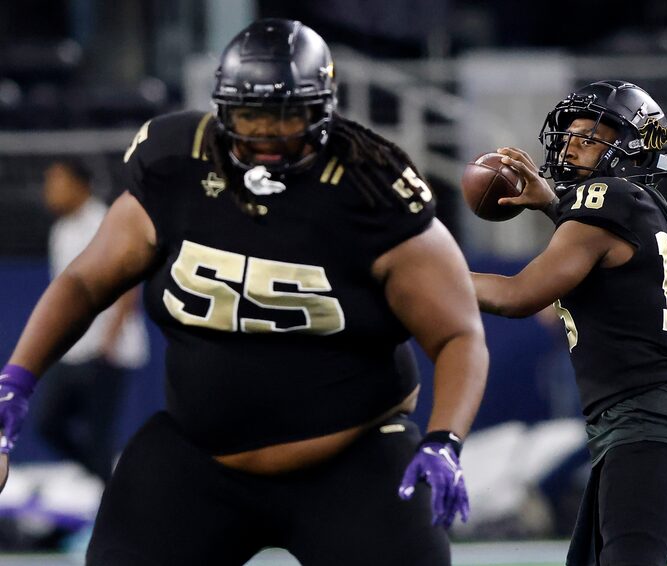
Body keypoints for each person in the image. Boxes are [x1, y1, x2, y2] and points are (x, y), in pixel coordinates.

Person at [0, 18, 488, 566]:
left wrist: (444, 441)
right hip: (197, 462)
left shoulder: (372, 186)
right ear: (223, 109)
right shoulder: (176, 163)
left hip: (353, 462)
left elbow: (458, 333)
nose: (265, 135)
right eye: (251, 114)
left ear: (321, 110)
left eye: (286, 116)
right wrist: (15, 383)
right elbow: (86, 281)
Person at [471, 80, 667, 566]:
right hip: (644, 413)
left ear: (628, 152)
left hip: (647, 412)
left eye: (590, 136)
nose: (570, 144)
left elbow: (518, 296)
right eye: (570, 135)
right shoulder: (630, 208)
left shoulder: (609, 199)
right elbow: (601, 251)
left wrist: (421, 271)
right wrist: (554, 206)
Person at [32, 159, 148, 483]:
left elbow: (129, 279)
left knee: (99, 433)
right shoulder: (60, 231)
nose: (49, 191)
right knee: (47, 423)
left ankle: (111, 501)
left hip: (107, 351)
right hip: (73, 350)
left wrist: (110, 338)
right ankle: (109, 482)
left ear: (80, 183)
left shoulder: (105, 221)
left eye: (56, 181)